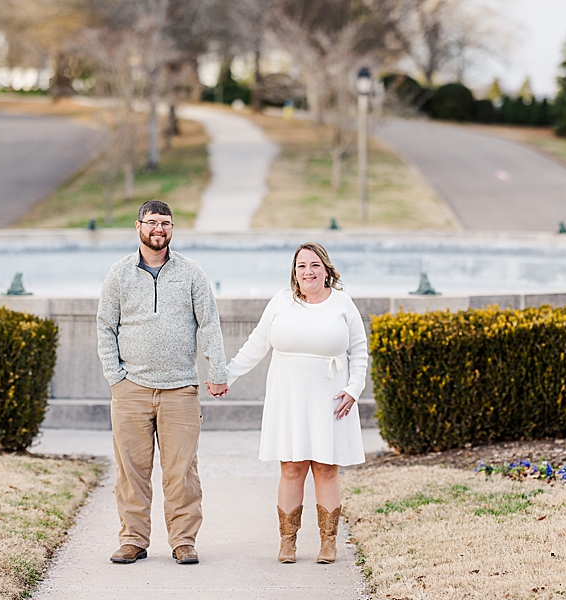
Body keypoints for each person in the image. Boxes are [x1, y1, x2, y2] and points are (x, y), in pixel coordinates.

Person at [97, 200, 229, 566]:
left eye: (165, 223)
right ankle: (133, 540)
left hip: (180, 390)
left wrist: (216, 372)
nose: (159, 228)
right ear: (137, 226)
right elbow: (106, 327)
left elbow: (209, 325)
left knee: (182, 472)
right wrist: (116, 378)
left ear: (172, 228)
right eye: (152, 222)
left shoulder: (191, 273)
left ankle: (183, 541)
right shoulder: (119, 274)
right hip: (131, 389)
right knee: (131, 472)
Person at [224, 242, 367, 564]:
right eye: (302, 266)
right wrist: (227, 375)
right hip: (288, 396)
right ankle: (288, 542)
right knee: (291, 467)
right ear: (294, 272)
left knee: (327, 468)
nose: (308, 272)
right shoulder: (280, 302)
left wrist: (355, 389)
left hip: (331, 397)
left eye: (315, 265)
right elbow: (256, 344)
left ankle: (328, 542)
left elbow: (359, 351)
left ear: (327, 269)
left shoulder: (343, 304)